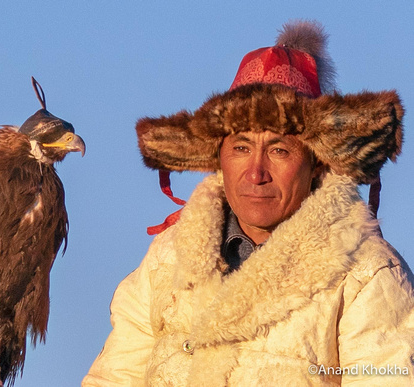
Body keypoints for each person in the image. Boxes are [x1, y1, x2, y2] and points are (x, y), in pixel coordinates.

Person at [82, 20, 413, 386]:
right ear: (219, 157)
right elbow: (113, 378)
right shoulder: (166, 262)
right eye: (241, 147)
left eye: (279, 150)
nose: (256, 173)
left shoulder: (366, 274)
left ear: (316, 160)